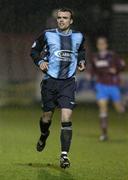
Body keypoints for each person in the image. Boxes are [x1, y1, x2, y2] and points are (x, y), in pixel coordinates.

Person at [30, 8, 86, 168]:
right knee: (46, 117)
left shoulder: (79, 36)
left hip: (68, 83)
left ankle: (64, 156)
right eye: (59, 18)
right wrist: (40, 61)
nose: (61, 20)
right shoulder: (47, 34)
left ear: (71, 20)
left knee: (66, 117)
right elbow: (34, 50)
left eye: (65, 18)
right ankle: (43, 134)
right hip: (49, 82)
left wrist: (82, 61)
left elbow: (81, 50)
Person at [89, 36, 125, 141]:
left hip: (113, 85)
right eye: (99, 44)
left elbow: (122, 65)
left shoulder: (113, 56)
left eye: (103, 43)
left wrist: (116, 70)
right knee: (103, 108)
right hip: (101, 85)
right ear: (97, 45)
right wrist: (90, 75)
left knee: (119, 109)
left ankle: (123, 106)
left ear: (106, 45)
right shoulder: (95, 57)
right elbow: (93, 69)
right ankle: (104, 134)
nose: (101, 45)